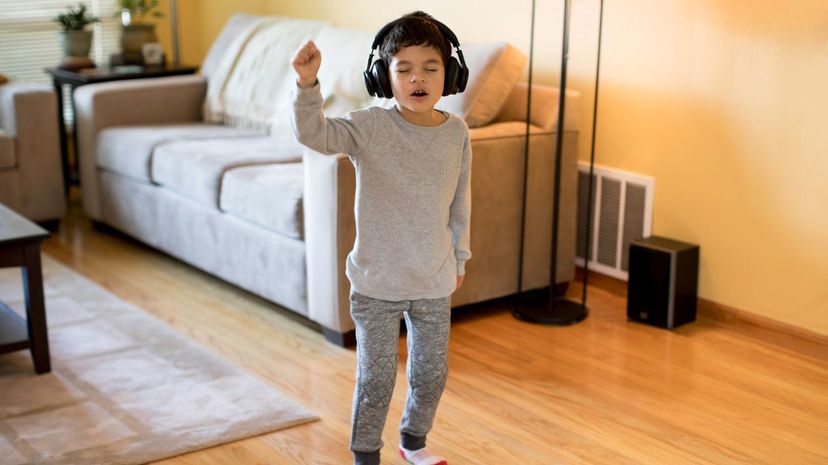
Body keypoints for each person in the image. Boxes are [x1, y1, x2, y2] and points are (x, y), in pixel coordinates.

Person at [290, 11, 471, 465]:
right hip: (376, 282)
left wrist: (459, 259)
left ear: (449, 73)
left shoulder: (457, 133)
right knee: (376, 379)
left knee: (431, 375)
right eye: (403, 68)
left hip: (432, 277)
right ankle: (366, 454)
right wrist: (307, 85)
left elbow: (460, 202)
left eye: (430, 67)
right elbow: (314, 133)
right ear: (382, 76)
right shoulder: (369, 127)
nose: (417, 78)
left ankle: (414, 440)